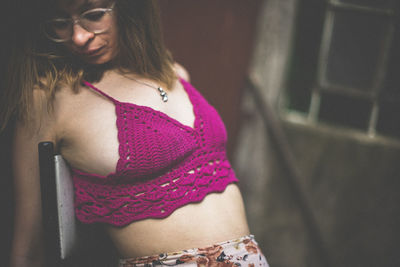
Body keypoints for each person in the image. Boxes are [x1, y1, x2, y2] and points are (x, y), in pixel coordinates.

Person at [3, 0, 270, 266]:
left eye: (94, 15)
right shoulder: (50, 100)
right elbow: (27, 250)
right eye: (59, 23)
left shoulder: (175, 74)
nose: (79, 37)